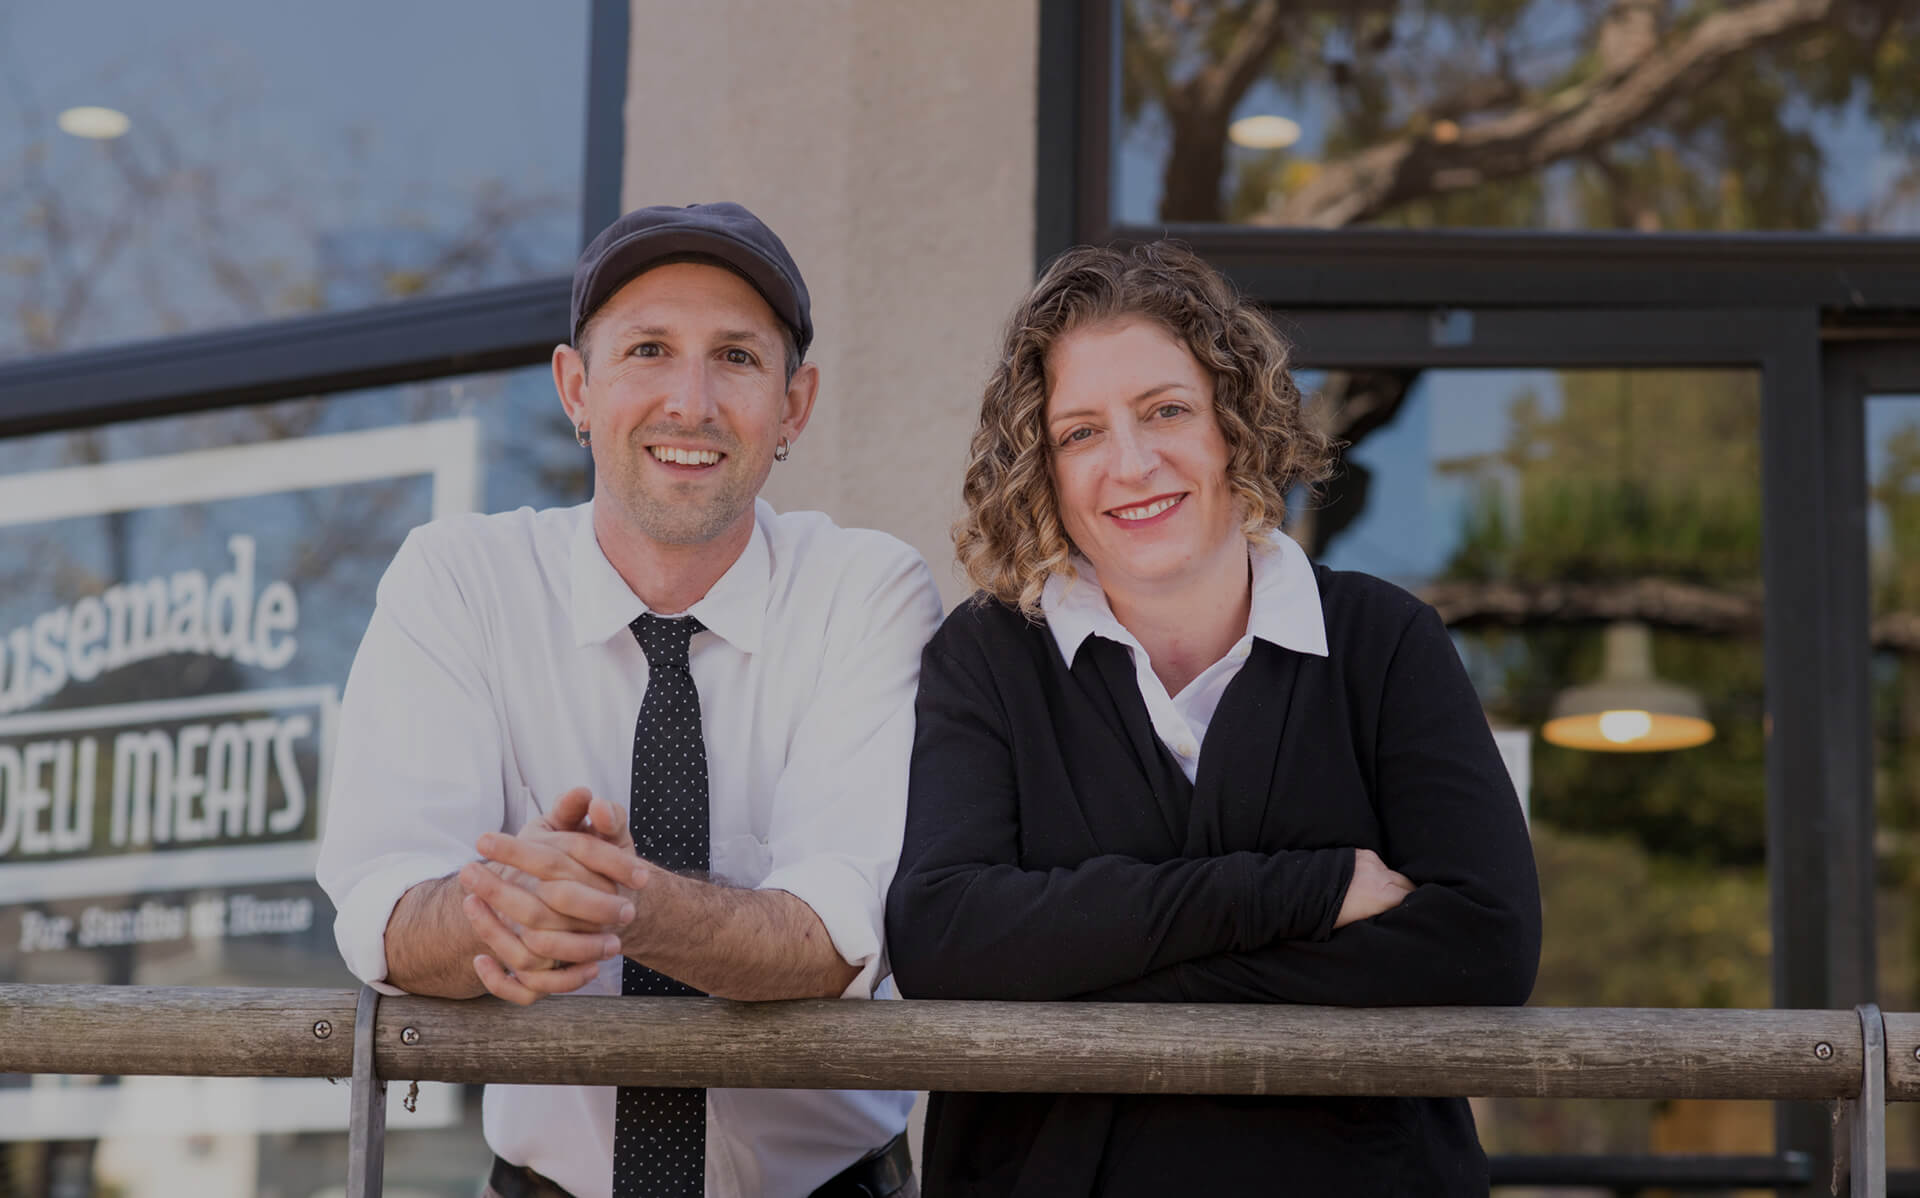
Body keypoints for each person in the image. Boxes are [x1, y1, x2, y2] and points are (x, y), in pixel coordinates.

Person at [884, 242, 1542, 1196]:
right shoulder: (989, 658)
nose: (1131, 462)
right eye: (1080, 433)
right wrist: (1298, 894)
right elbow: (943, 936)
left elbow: (1484, 942)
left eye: (1166, 411)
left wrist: (1088, 968)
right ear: (1045, 469)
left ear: (1234, 423)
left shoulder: (1382, 643)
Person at [317, 202, 940, 1198]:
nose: (690, 401)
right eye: (649, 349)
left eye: (736, 357)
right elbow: (381, 902)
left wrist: (612, 901)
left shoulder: (868, 591)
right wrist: (505, 910)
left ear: (796, 405)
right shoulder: (459, 579)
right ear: (577, 387)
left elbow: (836, 933)